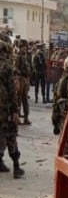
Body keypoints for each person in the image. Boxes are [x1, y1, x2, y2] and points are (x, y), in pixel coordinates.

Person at [0, 34, 24, 178]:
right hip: (5, 109)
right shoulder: (8, 68)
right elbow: (12, 91)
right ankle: (16, 167)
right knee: (10, 136)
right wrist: (15, 110)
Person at [14, 40, 32, 125]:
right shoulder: (18, 57)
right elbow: (16, 69)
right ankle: (17, 118)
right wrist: (18, 79)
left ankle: (26, 118)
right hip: (21, 80)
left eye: (25, 47)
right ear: (20, 47)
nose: (24, 49)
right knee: (18, 100)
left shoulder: (25, 56)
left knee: (25, 101)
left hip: (25, 80)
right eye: (23, 47)